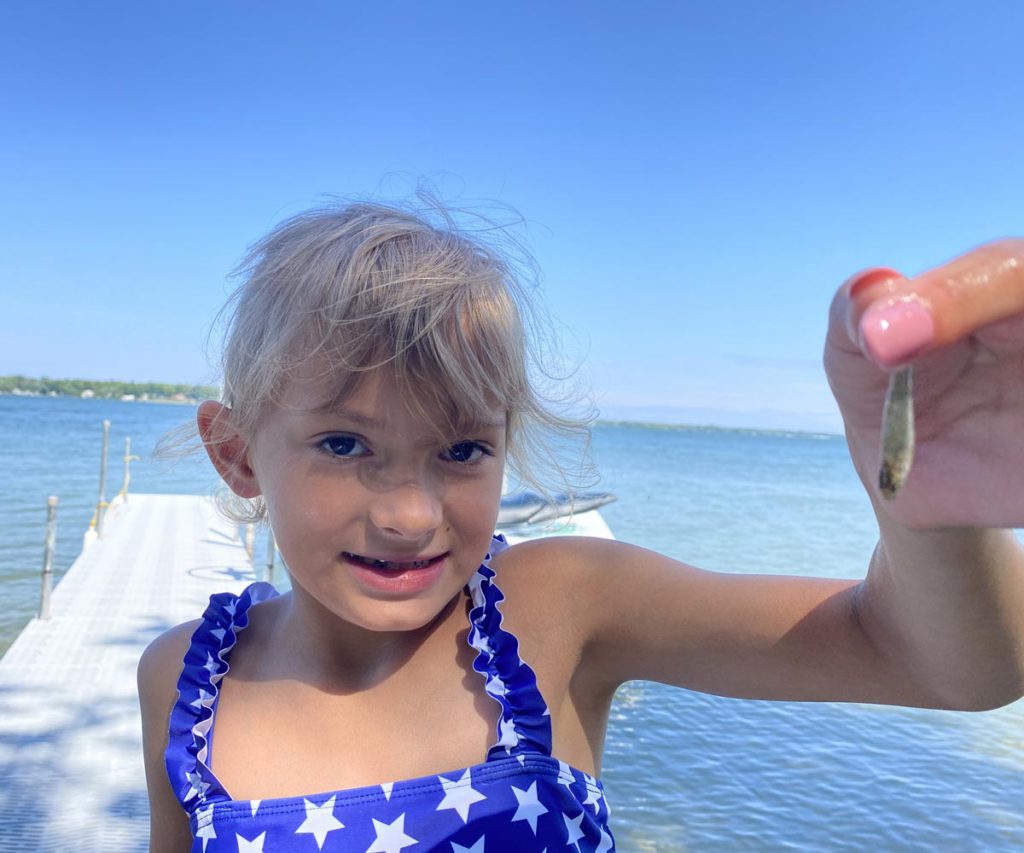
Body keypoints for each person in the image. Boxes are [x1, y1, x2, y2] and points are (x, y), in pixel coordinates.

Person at [137, 198, 1024, 853]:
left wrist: (928, 508)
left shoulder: (558, 608)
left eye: (461, 451)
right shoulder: (184, 679)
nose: (410, 514)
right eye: (342, 442)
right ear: (239, 452)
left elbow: (950, 665)